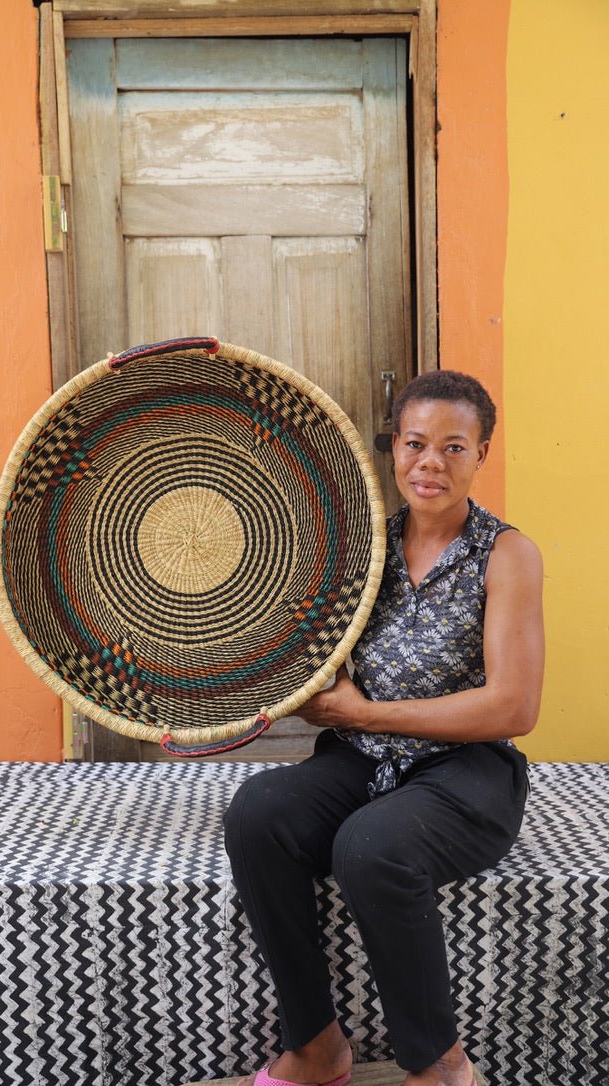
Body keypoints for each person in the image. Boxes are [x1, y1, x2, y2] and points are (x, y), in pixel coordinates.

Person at [224, 370, 544, 1086]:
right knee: (258, 812)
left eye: (453, 447)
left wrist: (363, 712)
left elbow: (513, 708)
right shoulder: (361, 547)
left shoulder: (506, 555)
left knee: (370, 846)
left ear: (483, 454)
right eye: (415, 443)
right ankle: (314, 1044)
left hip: (466, 771)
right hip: (362, 759)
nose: (430, 463)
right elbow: (301, 645)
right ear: (393, 448)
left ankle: (439, 1064)